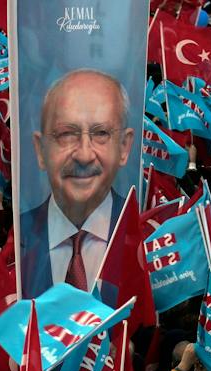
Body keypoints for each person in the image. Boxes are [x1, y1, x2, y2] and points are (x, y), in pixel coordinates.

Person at [20, 68, 136, 298]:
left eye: (101, 133)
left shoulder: (146, 240)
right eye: (66, 134)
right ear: (41, 150)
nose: (84, 155)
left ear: (124, 146)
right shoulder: (14, 243)